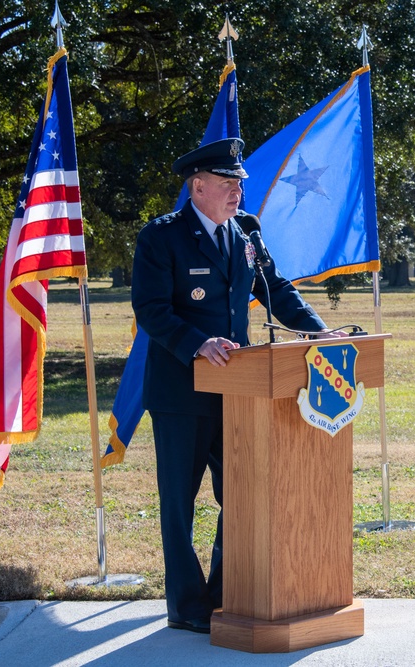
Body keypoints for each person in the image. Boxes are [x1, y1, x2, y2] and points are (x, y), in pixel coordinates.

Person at [131, 137, 329, 633]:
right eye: (227, 184)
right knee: (179, 502)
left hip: (239, 392)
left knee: (238, 495)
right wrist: (198, 343)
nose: (237, 193)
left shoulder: (246, 234)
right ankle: (185, 606)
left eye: (239, 184)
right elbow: (151, 311)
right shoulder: (161, 237)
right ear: (197, 187)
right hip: (181, 391)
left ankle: (222, 593)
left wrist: (319, 332)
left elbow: (275, 289)